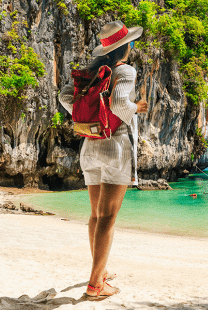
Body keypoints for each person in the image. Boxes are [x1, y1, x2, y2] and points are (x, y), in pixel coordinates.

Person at [58, 20, 147, 301]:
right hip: (115, 146)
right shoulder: (125, 70)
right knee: (108, 217)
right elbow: (121, 104)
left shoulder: (92, 72)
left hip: (89, 144)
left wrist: (89, 112)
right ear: (126, 46)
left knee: (96, 215)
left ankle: (101, 270)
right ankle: (96, 284)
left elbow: (64, 96)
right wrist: (137, 107)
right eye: (131, 43)